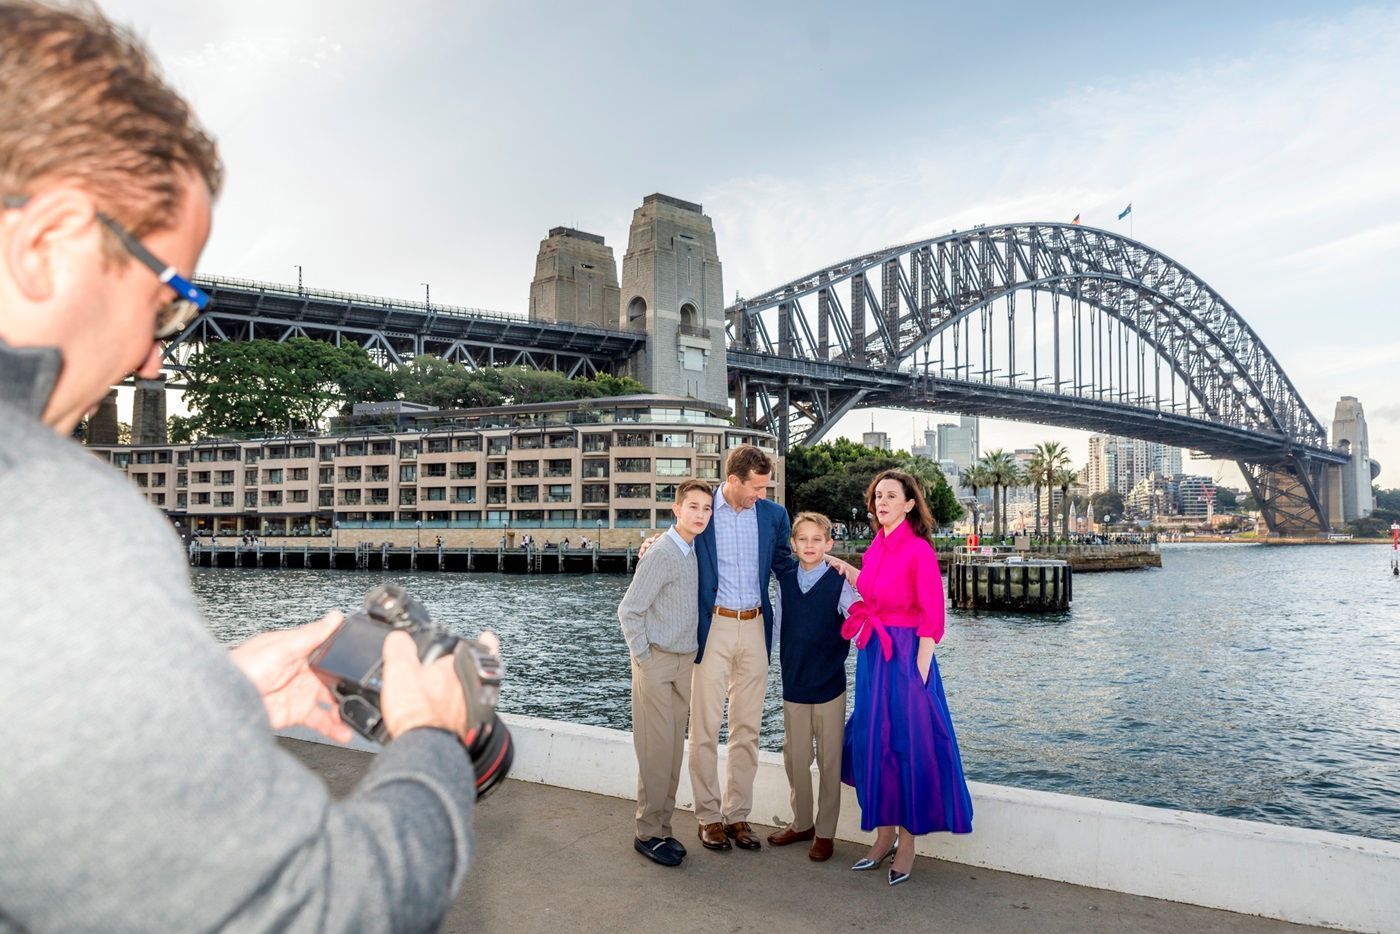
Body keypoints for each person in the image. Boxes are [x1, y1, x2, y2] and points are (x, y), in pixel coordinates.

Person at [0, 3, 489, 929]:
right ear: (43, 244)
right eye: (167, 299)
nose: (153, 357)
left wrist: (189, 698)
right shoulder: (52, 517)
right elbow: (316, 913)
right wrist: (430, 740)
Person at [832, 469, 973, 886]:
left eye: (891, 496)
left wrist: (920, 672)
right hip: (875, 652)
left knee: (909, 744)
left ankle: (907, 843)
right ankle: (883, 836)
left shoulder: (919, 551)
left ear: (910, 504)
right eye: (877, 496)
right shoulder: (876, 545)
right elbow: (874, 591)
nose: (881, 502)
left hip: (909, 656)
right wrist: (844, 568)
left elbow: (933, 616)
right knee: (877, 744)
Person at [688, 445, 796, 852]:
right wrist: (650, 548)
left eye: (766, 488)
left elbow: (784, 566)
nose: (762, 496)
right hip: (712, 626)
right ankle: (708, 817)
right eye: (756, 488)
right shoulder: (704, 513)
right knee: (704, 727)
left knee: (747, 729)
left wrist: (824, 565)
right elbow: (679, 542)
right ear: (733, 481)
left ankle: (737, 816)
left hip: (755, 627)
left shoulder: (773, 516)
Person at [617, 479, 714, 867]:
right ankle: (646, 832)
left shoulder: (691, 549)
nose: (701, 515)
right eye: (693, 507)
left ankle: (663, 829)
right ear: (677, 509)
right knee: (656, 752)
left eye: (706, 508)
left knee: (673, 752)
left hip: (683, 661)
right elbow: (629, 610)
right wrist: (644, 659)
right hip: (657, 662)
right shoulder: (661, 552)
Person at [766, 512, 858, 862]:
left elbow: (858, 618)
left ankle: (825, 831)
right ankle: (802, 821)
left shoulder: (839, 583)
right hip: (794, 684)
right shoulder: (786, 579)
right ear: (793, 544)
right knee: (795, 758)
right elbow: (779, 627)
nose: (809, 545)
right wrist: (769, 662)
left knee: (830, 760)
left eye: (816, 539)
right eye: (802, 539)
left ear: (828, 545)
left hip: (830, 686)